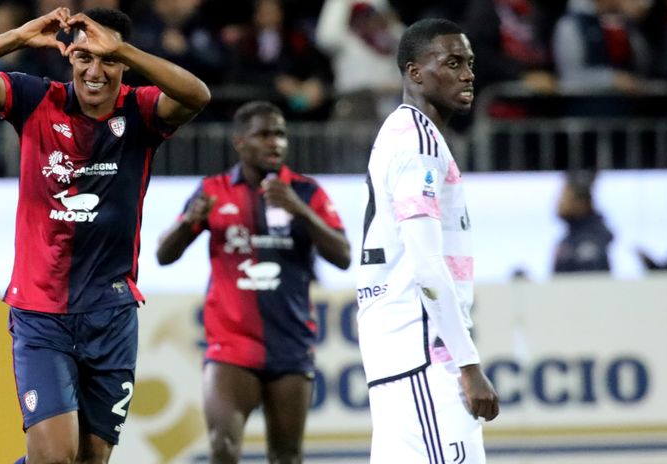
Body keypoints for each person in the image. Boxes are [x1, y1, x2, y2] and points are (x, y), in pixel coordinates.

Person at [0, 6, 210, 464]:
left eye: (108, 60)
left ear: (125, 64)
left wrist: (122, 47)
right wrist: (18, 37)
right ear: (70, 60)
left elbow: (196, 95)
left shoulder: (140, 111)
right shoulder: (34, 99)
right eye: (84, 58)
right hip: (42, 313)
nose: (95, 71)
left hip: (111, 314)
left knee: (90, 460)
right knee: (53, 457)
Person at [155, 100, 350, 464]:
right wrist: (187, 223)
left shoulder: (306, 192)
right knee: (223, 449)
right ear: (240, 142)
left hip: (290, 344)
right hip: (230, 346)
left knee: (287, 456)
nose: (275, 142)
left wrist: (301, 211)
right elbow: (164, 256)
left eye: (280, 134)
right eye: (263, 134)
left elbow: (343, 256)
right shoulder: (212, 190)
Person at [355, 18, 499, 462]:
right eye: (452, 62)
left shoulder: (409, 134)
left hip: (402, 355)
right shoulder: (418, 144)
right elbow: (427, 264)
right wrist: (468, 366)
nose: (468, 74)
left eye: (470, 63)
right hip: (425, 356)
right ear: (415, 72)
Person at [553, 171, 614, 273]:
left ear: (581, 204)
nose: (559, 203)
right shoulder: (569, 240)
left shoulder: (590, 241)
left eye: (564, 197)